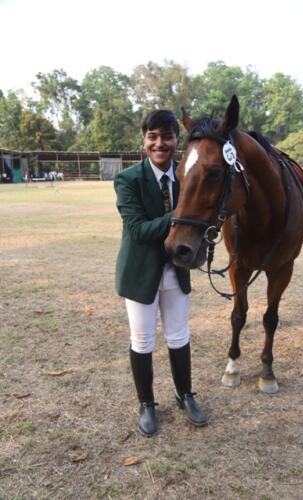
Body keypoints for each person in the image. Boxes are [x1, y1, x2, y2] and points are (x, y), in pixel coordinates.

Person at [114, 109, 207, 437]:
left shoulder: (186, 176)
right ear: (144, 141)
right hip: (140, 273)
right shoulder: (128, 179)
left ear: (176, 141)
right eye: (152, 136)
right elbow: (138, 230)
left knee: (179, 337)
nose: (159, 143)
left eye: (166, 136)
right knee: (142, 340)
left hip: (175, 271)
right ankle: (147, 404)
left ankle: (185, 395)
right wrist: (180, 216)